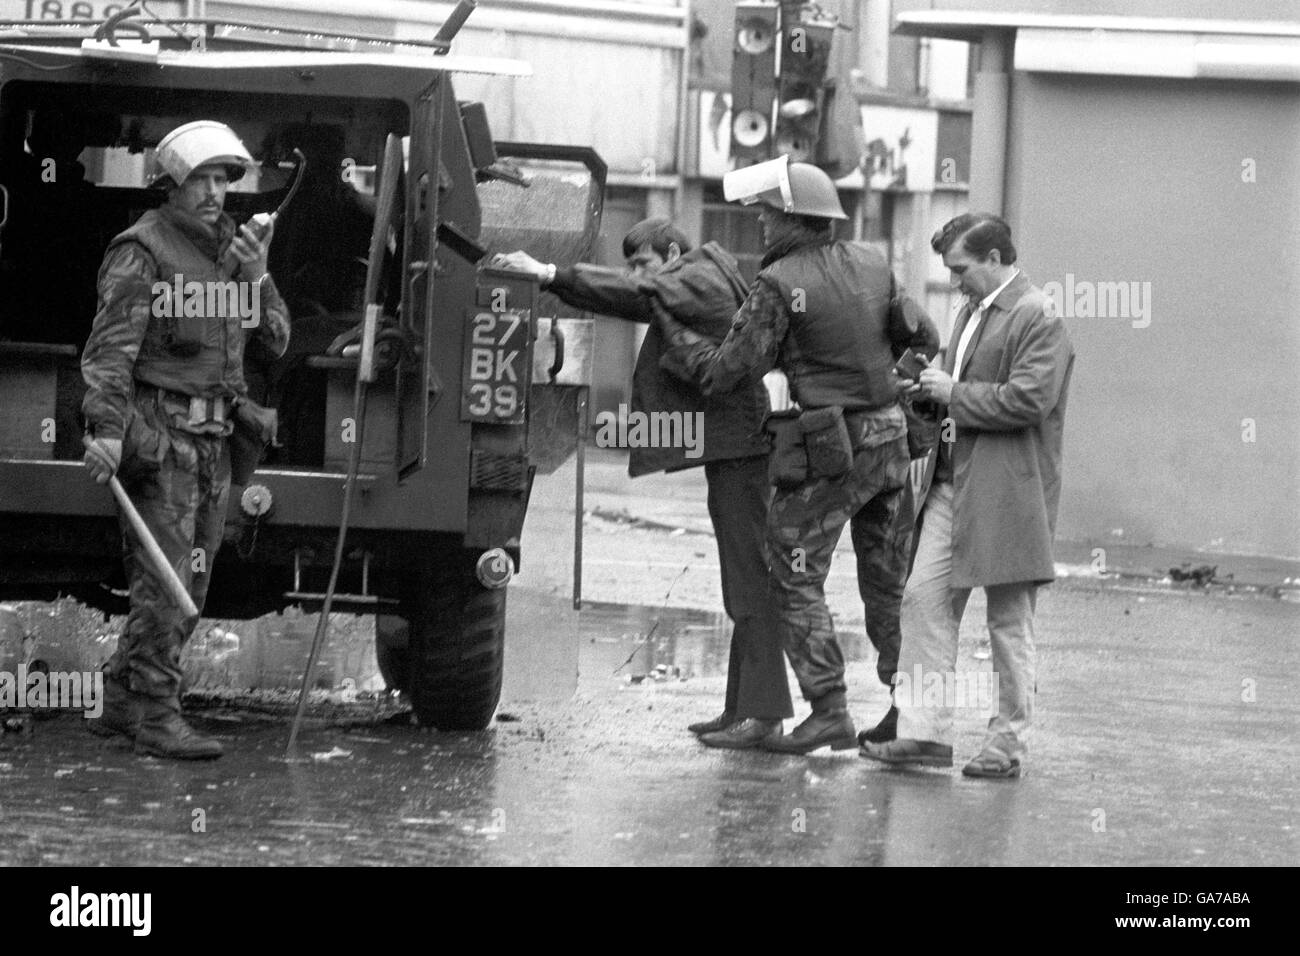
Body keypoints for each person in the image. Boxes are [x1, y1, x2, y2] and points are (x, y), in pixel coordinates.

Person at [654, 158, 938, 754]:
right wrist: (894, 382)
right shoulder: (873, 263)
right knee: (888, 587)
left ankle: (829, 707)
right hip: (890, 444)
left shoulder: (778, 282)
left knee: (792, 572)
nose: (759, 222)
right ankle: (908, 715)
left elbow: (730, 370)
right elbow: (924, 338)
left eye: (766, 213)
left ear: (793, 219)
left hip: (831, 452)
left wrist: (678, 338)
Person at [496, 220, 793, 748]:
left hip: (741, 448)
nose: (636, 272)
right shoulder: (696, 275)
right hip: (733, 446)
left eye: (643, 261)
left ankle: (764, 716)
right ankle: (741, 710)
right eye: (630, 263)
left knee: (750, 583)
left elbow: (638, 294)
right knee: (742, 582)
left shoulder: (697, 275)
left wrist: (547, 273)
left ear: (672, 253)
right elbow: (638, 298)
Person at [81, 120, 290, 759]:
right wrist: (106, 432)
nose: (213, 191)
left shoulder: (235, 251)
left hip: (215, 444)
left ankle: (120, 700)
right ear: (169, 184)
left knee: (190, 583)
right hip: (162, 440)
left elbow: (278, 339)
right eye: (199, 178)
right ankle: (158, 719)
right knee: (167, 587)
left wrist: (256, 277)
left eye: (222, 178)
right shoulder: (141, 251)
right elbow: (110, 353)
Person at [860, 212, 1074, 778]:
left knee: (1008, 625)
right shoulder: (976, 311)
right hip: (954, 485)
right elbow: (971, 394)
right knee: (922, 602)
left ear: (996, 260)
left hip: (1009, 492)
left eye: (961, 270)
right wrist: (931, 389)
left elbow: (1029, 401)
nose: (955, 281)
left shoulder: (1039, 316)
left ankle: (1005, 746)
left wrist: (953, 391)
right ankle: (924, 733)